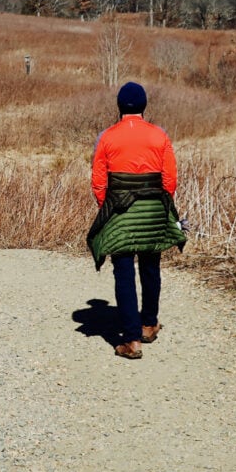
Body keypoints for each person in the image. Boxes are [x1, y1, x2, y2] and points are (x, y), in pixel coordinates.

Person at [87, 82, 187, 359]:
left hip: (119, 212)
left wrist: (108, 209)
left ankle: (132, 340)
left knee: (123, 271)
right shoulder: (160, 136)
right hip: (154, 209)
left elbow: (98, 182)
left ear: (119, 107)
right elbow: (170, 180)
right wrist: (161, 206)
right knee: (151, 266)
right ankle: (149, 324)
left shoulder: (106, 137)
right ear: (144, 106)